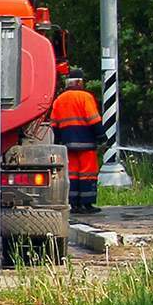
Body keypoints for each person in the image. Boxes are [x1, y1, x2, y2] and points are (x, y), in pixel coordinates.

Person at [50, 72, 103, 213]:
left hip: (68, 144)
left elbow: (54, 124)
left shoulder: (59, 100)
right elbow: (93, 119)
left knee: (72, 174)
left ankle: (73, 204)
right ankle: (87, 204)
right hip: (86, 143)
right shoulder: (85, 97)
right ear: (79, 82)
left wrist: (58, 142)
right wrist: (101, 135)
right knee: (88, 173)